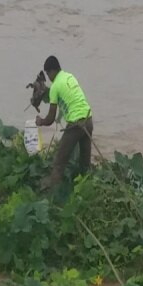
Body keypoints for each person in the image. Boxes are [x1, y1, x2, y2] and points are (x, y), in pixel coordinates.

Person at [35, 56, 93, 188]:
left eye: (48, 73)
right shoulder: (70, 76)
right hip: (88, 121)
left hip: (76, 125)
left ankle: (52, 191)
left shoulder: (55, 87)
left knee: (59, 161)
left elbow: (50, 118)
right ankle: (87, 187)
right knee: (85, 163)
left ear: (52, 71)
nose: (48, 78)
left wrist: (40, 122)